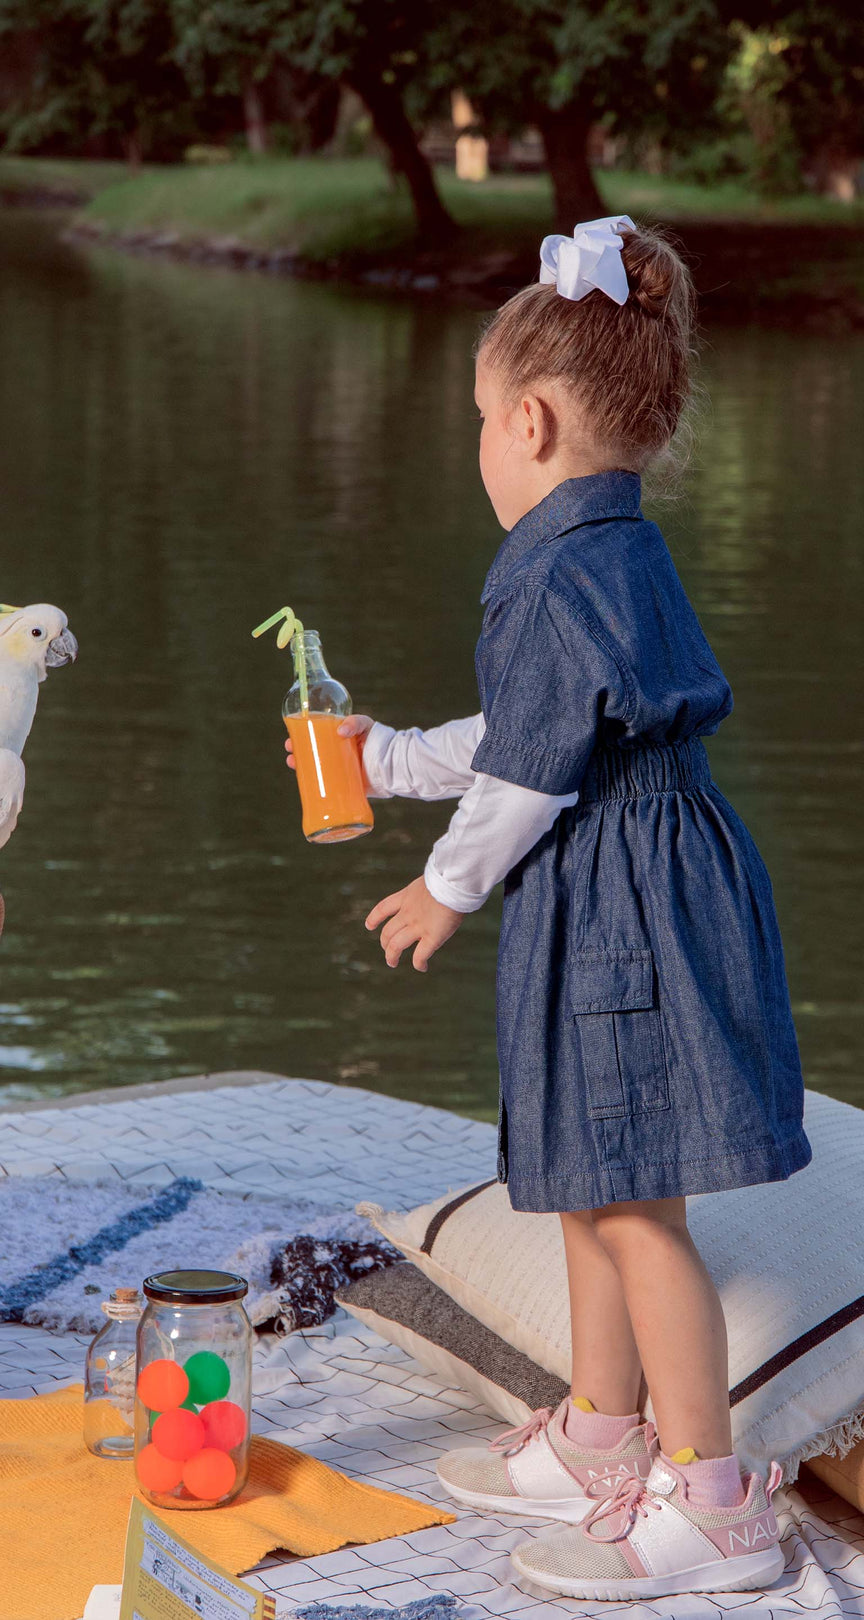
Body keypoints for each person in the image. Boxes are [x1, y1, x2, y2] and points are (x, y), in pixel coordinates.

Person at [295, 217, 809, 1600]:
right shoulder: (602, 556)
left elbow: (532, 768)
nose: (476, 444)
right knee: (593, 1181)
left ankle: (714, 1506)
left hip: (628, 898)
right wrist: (393, 760)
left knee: (638, 1206)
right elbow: (537, 727)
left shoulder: (556, 567)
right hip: (625, 879)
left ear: (529, 421)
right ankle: (602, 1431)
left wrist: (444, 885)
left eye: (477, 418)